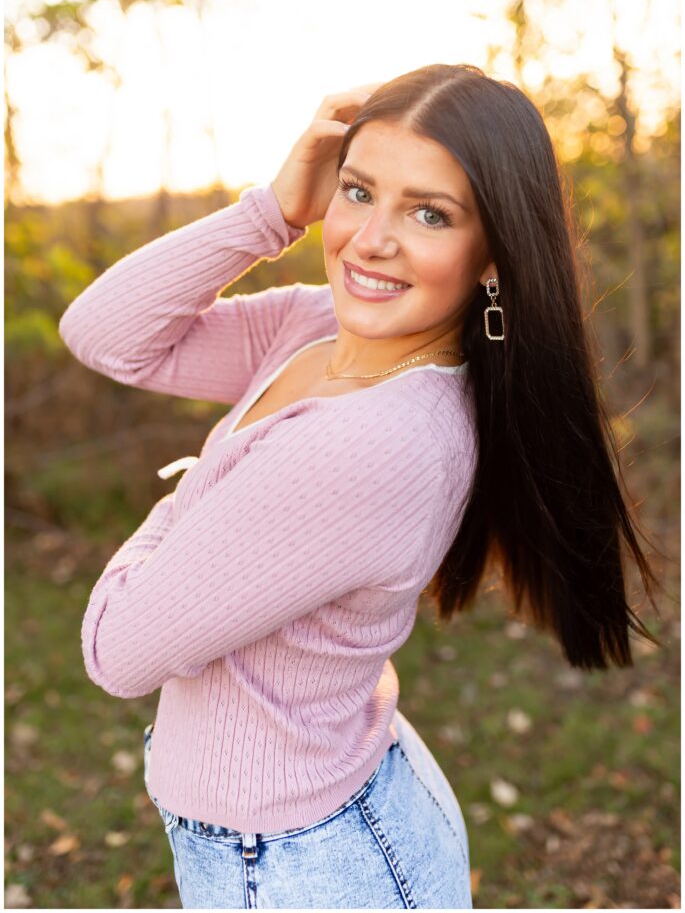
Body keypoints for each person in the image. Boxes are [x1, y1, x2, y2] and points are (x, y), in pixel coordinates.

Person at [58, 63, 662, 909]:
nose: (369, 240)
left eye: (428, 213)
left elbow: (115, 651)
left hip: (301, 868)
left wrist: (195, 493)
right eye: (357, 191)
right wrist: (269, 212)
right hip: (328, 809)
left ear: (492, 255)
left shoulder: (374, 440)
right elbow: (107, 336)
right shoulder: (319, 329)